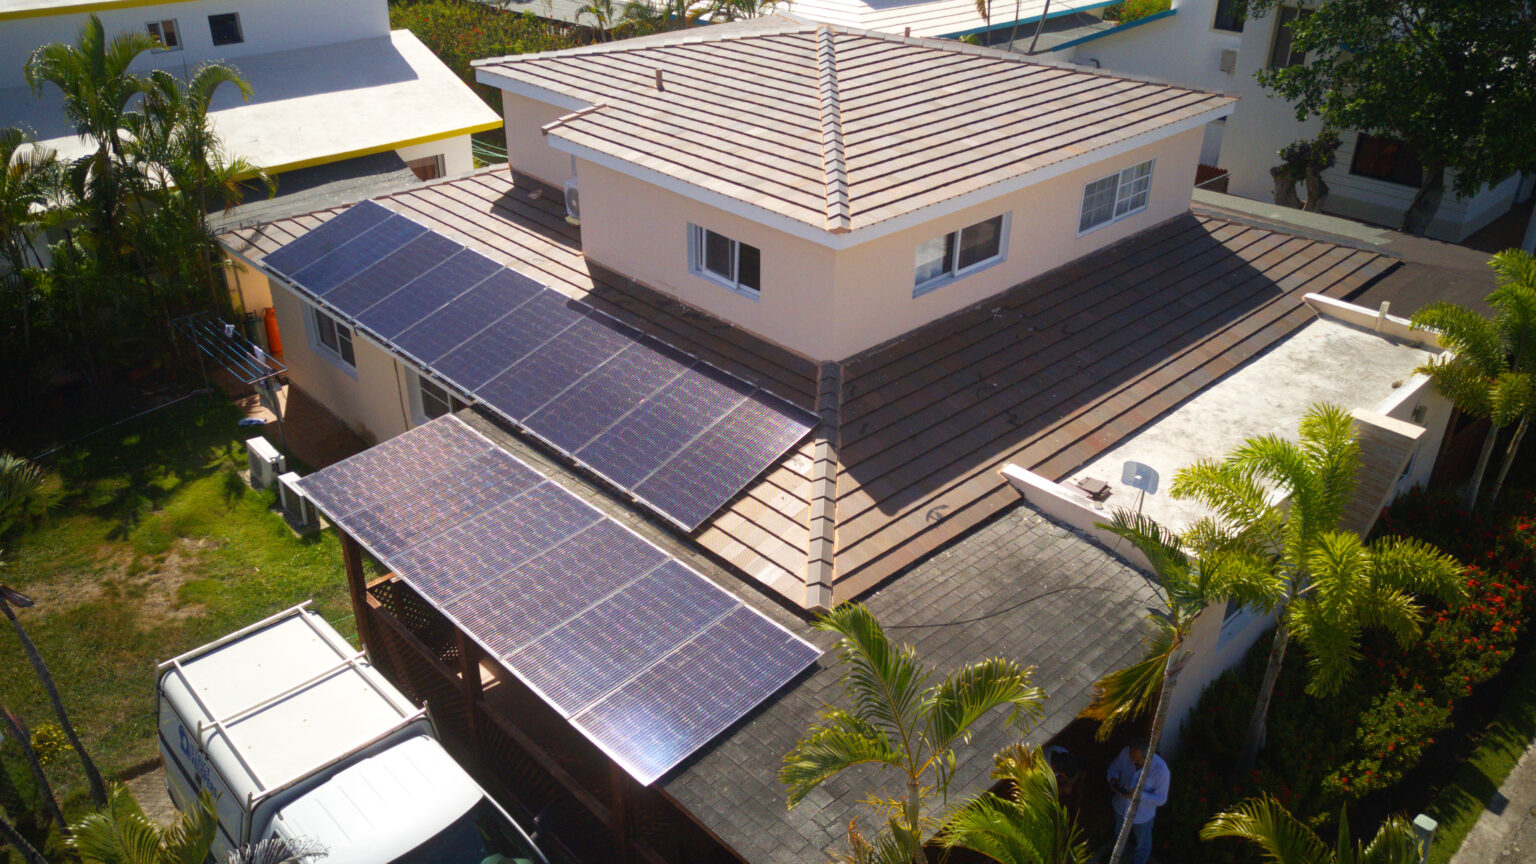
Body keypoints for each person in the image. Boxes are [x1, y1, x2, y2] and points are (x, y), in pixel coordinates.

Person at [1106, 738, 1169, 864]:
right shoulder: (1125, 752)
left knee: (1142, 845)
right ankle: (1117, 858)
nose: (1133, 762)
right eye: (1132, 758)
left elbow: (1161, 799)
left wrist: (1140, 795)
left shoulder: (1161, 770)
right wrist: (1113, 779)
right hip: (1121, 807)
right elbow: (1114, 767)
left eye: (1138, 761)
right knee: (1118, 836)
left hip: (1142, 817)